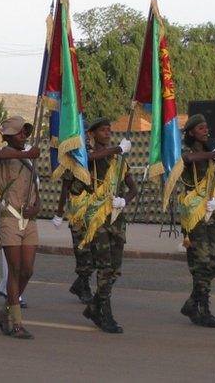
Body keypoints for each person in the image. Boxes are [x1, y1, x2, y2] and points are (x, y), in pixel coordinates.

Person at [77, 118, 137, 333]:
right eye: (102, 130)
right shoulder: (87, 155)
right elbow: (90, 158)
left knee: (114, 269)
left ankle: (94, 306)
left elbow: (133, 188)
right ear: (92, 134)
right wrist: (118, 149)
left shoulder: (118, 160)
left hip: (116, 219)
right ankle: (105, 313)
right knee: (104, 268)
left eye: (109, 130)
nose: (107, 133)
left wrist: (124, 201)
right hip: (97, 219)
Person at [0, 116, 42, 339]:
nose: (24, 136)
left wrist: (37, 207)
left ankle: (6, 312)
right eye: (19, 133)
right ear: (8, 136)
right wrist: (25, 154)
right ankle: (16, 322)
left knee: (27, 270)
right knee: (15, 269)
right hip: (10, 216)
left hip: (28, 218)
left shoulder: (29, 161)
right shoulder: (0, 156)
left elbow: (36, 190)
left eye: (25, 133)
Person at [177, 114, 215, 328]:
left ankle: (190, 303)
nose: (206, 131)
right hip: (195, 215)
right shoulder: (188, 153)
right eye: (200, 128)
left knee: (213, 266)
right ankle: (203, 309)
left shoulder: (211, 157)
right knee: (201, 264)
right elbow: (187, 160)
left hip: (212, 213)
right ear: (191, 133)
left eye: (206, 128)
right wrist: (213, 154)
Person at [54, 171, 94, 304]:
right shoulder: (73, 163)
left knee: (97, 252)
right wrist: (59, 214)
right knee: (82, 252)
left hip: (95, 212)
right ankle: (84, 287)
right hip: (78, 213)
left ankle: (79, 284)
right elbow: (65, 189)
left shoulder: (98, 160)